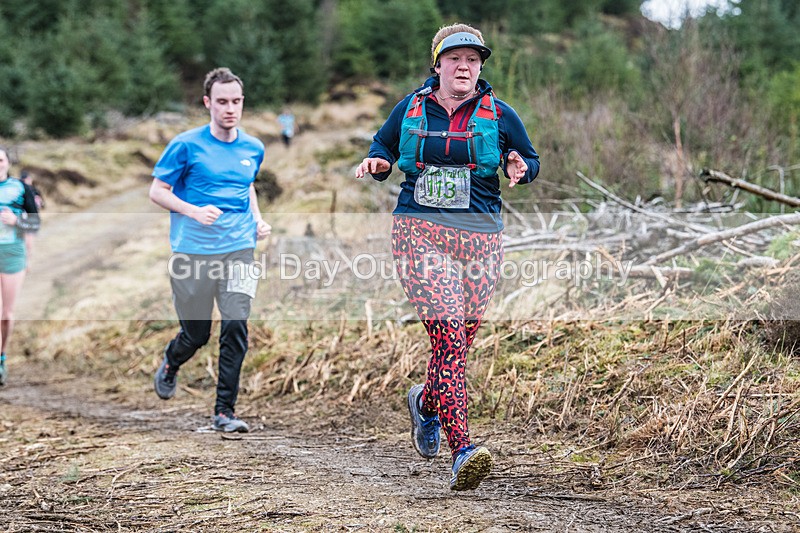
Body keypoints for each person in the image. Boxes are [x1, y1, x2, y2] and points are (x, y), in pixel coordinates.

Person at [355, 24, 540, 490]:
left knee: (454, 346)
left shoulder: (501, 114)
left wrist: (520, 165)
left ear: (480, 67)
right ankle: (463, 450)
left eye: (473, 59)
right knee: (451, 334)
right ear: (437, 64)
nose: (464, 66)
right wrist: (378, 163)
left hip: (481, 240)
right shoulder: (411, 107)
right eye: (455, 58)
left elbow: (530, 159)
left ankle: (425, 403)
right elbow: (382, 145)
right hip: (419, 234)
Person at [149, 67, 271, 433]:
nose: (230, 109)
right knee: (196, 334)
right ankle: (172, 361)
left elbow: (246, 186)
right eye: (222, 102)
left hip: (240, 247)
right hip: (193, 251)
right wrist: (192, 211)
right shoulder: (186, 145)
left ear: (242, 102)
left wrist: (257, 219)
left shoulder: (254, 147)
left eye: (236, 101)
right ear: (208, 103)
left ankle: (224, 412)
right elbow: (157, 191)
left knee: (235, 325)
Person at [0, 147, 41, 386]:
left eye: (0, 159)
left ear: (7, 162)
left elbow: (35, 223)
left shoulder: (20, 188)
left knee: (6, 315)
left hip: (13, 254)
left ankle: (2, 356)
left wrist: (17, 221)